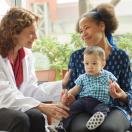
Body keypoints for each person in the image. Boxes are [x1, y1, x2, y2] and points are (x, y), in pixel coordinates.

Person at [64, 3, 132, 132]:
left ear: (102, 26)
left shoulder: (121, 56)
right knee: (82, 129)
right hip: (83, 105)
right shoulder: (77, 56)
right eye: (81, 31)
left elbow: (129, 91)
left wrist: (121, 95)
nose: (83, 34)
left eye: (86, 28)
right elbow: (70, 88)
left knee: (109, 129)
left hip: (114, 107)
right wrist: (69, 97)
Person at [0, 7, 69, 132]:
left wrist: (62, 84)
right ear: (14, 32)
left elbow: (30, 89)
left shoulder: (26, 54)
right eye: (31, 33)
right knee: (20, 119)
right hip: (2, 103)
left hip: (11, 104)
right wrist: (40, 106)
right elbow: (4, 96)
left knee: (36, 117)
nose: (36, 37)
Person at [60, 46, 117, 131]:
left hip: (100, 102)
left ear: (103, 64)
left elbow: (116, 86)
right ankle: (62, 127)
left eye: (94, 63)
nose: (90, 67)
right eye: (86, 63)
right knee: (71, 109)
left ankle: (96, 119)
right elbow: (76, 89)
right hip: (84, 101)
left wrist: (115, 89)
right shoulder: (83, 77)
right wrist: (67, 94)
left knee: (104, 109)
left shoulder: (108, 75)